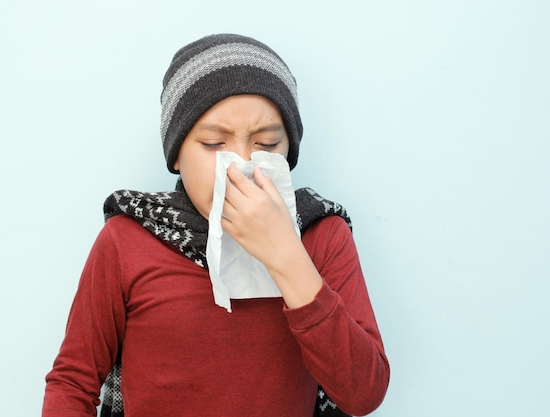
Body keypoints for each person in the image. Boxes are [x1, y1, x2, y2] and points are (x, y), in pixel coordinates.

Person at [42, 33, 390, 417]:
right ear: (177, 155)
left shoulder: (323, 235)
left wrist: (286, 254)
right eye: (213, 144)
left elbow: (363, 393)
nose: (241, 164)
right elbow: (72, 382)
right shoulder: (127, 240)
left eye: (267, 144)